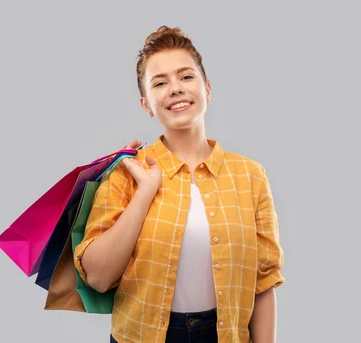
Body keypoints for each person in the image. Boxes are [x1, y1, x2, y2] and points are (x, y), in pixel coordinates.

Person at [73, 25, 285, 343]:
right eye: (160, 82)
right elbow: (99, 278)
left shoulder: (251, 175)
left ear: (208, 89)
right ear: (146, 104)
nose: (175, 88)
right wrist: (145, 191)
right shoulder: (126, 172)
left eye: (186, 77)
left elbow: (263, 283)